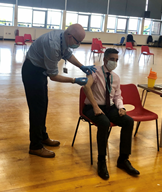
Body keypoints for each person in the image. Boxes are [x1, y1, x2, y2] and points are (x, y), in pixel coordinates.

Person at [22, 24, 96, 158]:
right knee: (37, 109)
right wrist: (74, 80)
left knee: (43, 106)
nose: (78, 45)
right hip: (32, 72)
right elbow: (54, 76)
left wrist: (82, 66)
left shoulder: (64, 37)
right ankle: (35, 146)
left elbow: (67, 54)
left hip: (40, 70)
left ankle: (42, 136)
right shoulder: (53, 45)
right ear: (69, 36)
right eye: (77, 41)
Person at [83, 48, 140, 180]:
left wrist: (121, 107)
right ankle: (102, 160)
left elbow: (117, 96)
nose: (114, 62)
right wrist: (96, 107)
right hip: (92, 107)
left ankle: (123, 159)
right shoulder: (94, 71)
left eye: (116, 60)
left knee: (128, 121)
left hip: (109, 108)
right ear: (105, 59)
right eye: (111, 59)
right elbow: (86, 87)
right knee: (104, 122)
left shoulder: (116, 77)